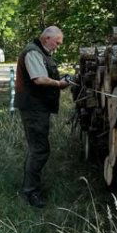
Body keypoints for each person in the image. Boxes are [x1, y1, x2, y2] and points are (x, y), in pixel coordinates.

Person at [14, 26, 71, 208]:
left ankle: (32, 188)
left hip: (38, 108)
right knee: (39, 149)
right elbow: (39, 79)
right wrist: (59, 83)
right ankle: (31, 192)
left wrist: (61, 78)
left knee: (39, 148)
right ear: (47, 38)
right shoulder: (33, 52)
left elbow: (45, 74)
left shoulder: (41, 52)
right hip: (33, 108)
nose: (58, 46)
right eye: (57, 42)